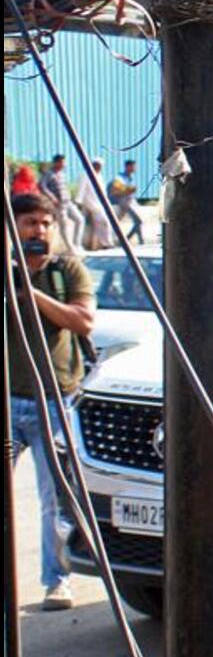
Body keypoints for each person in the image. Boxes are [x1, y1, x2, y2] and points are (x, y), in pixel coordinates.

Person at [7, 192, 96, 611]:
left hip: (54, 401)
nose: (38, 231)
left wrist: (32, 293)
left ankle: (56, 581)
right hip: (9, 401)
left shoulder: (66, 271)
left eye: (44, 224)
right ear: (13, 227)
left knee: (54, 499)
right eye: (29, 224)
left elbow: (82, 320)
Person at [41, 155, 83, 252]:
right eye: (62, 162)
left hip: (68, 202)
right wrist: (52, 197)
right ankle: (70, 248)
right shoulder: (49, 174)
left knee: (79, 219)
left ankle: (77, 244)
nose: (64, 164)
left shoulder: (62, 174)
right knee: (63, 225)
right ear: (56, 162)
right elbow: (42, 186)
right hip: (58, 204)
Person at [74, 158, 112, 250]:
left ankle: (99, 244)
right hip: (89, 203)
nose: (99, 167)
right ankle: (106, 243)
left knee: (99, 224)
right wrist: (78, 202)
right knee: (103, 221)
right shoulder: (85, 175)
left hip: (99, 203)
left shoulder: (99, 176)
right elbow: (81, 189)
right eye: (97, 165)